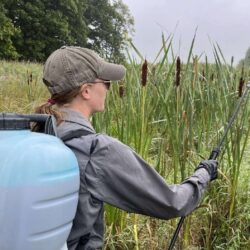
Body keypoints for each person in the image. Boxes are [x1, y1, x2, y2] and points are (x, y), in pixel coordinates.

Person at [35, 46, 218, 250]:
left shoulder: (36, 133)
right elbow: (172, 203)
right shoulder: (96, 150)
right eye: (105, 82)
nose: (108, 88)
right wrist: (203, 174)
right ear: (86, 90)